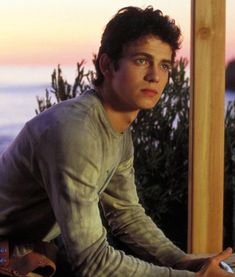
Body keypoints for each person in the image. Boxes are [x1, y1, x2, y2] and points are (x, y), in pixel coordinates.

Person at [0, 6, 234, 277]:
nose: (155, 76)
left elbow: (126, 214)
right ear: (107, 65)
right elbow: (93, 262)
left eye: (165, 65)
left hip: (24, 251)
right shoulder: (76, 131)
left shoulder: (117, 129)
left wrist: (183, 262)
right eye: (142, 60)